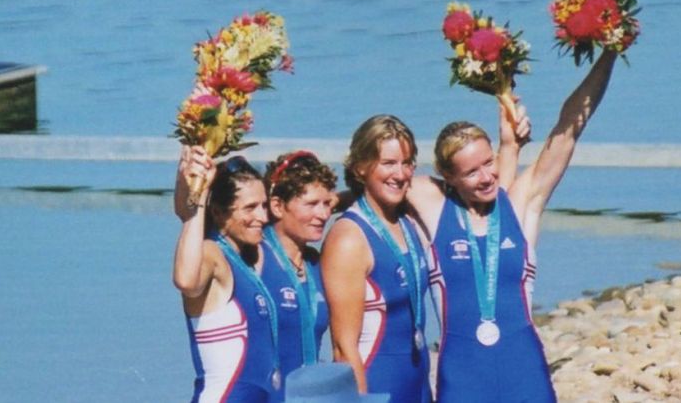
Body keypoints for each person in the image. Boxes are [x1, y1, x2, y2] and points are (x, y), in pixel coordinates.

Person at [405, 49, 618, 402]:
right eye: (471, 172)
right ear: (448, 177)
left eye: (489, 163)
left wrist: (609, 53)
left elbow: (567, 131)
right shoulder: (433, 207)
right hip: (462, 376)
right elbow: (378, 180)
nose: (486, 177)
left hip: (524, 371)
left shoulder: (519, 206)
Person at [321, 114, 432, 402]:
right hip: (376, 385)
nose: (400, 174)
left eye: (407, 163)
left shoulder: (408, 218)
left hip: (418, 386)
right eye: (388, 163)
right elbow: (344, 349)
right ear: (360, 166)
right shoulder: (349, 239)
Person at [172, 147, 280, 403]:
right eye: (250, 208)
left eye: (264, 205)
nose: (262, 216)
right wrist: (198, 196)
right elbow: (186, 281)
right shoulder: (212, 254)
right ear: (219, 212)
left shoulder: (245, 259)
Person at [259, 150, 337, 383]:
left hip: (307, 394)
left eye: (327, 204)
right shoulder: (253, 258)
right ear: (277, 206)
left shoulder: (315, 263)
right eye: (311, 204)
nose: (323, 214)